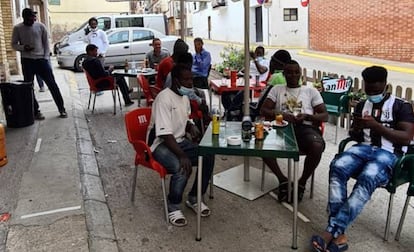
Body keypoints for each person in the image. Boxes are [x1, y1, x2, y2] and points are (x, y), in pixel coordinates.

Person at [311, 66, 414, 252]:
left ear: (385, 85)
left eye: (376, 90)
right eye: (369, 90)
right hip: (363, 149)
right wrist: (356, 129)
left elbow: (406, 137)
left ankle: (331, 231)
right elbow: (355, 135)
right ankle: (339, 235)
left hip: (389, 153)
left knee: (368, 176)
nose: (372, 94)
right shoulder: (361, 105)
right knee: (338, 165)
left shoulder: (401, 105)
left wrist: (377, 126)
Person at [149, 63, 215, 227]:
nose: (190, 83)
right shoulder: (163, 98)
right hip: (160, 144)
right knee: (181, 166)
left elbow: (183, 120)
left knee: (207, 155)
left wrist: (191, 126)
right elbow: (164, 133)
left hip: (177, 141)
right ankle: (173, 205)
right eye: (186, 80)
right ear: (176, 80)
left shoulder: (185, 97)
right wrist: (182, 155)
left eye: (191, 79)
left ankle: (194, 197)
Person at [260, 59, 328, 202]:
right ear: (284, 74)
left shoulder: (310, 91)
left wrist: (307, 116)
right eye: (289, 72)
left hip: (306, 128)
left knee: (317, 146)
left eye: (296, 72)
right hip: (281, 127)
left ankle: (301, 183)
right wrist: (284, 116)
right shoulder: (277, 89)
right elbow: (264, 109)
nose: (293, 75)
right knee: (262, 143)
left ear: (300, 74)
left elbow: (324, 115)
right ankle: (283, 179)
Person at [11, 8, 67, 119]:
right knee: (29, 87)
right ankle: (36, 111)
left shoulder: (40, 26)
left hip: (41, 60)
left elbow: (46, 44)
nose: (32, 20)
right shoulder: (18, 28)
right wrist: (23, 47)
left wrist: (46, 58)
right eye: (30, 18)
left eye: (33, 17)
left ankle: (61, 109)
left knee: (52, 85)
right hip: (27, 60)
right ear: (24, 18)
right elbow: (13, 44)